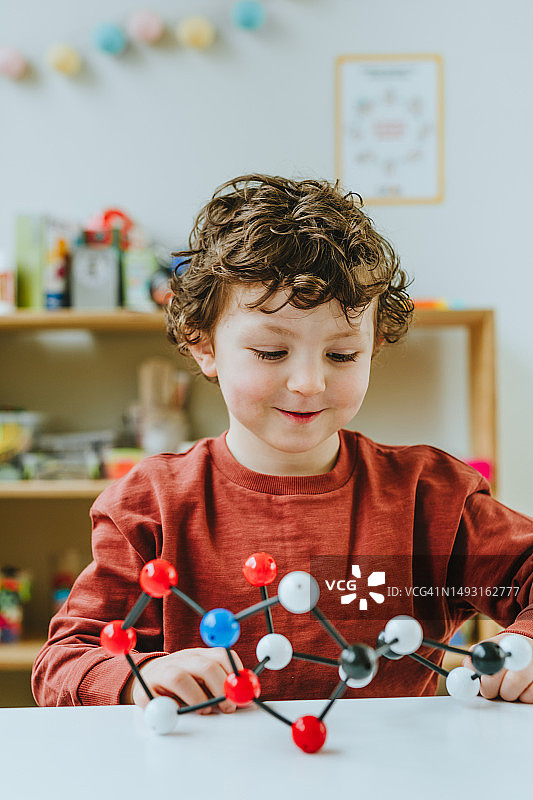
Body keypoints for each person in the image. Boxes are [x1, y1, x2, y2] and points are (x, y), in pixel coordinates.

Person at [32, 174, 533, 711]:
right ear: (204, 346)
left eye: (342, 355)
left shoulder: (431, 496)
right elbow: (63, 662)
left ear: (373, 347)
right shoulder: (150, 505)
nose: (309, 383)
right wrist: (140, 678)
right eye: (272, 352)